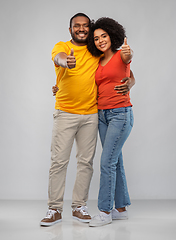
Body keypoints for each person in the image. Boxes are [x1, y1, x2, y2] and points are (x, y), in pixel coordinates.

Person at [41, 13, 135, 227]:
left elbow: (127, 68)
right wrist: (66, 62)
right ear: (70, 29)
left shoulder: (105, 53)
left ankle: (80, 207)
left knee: (87, 162)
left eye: (85, 26)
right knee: (59, 162)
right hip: (67, 112)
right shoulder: (64, 47)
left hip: (94, 114)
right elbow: (58, 57)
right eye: (77, 26)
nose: (81, 29)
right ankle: (54, 209)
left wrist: (130, 83)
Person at [85, 17, 134, 227]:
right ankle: (120, 209)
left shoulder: (122, 55)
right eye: (96, 38)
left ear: (112, 35)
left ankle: (105, 211)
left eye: (103, 36)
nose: (100, 40)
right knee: (116, 161)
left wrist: (131, 77)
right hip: (102, 115)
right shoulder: (98, 61)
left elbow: (130, 68)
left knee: (106, 162)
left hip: (120, 114)